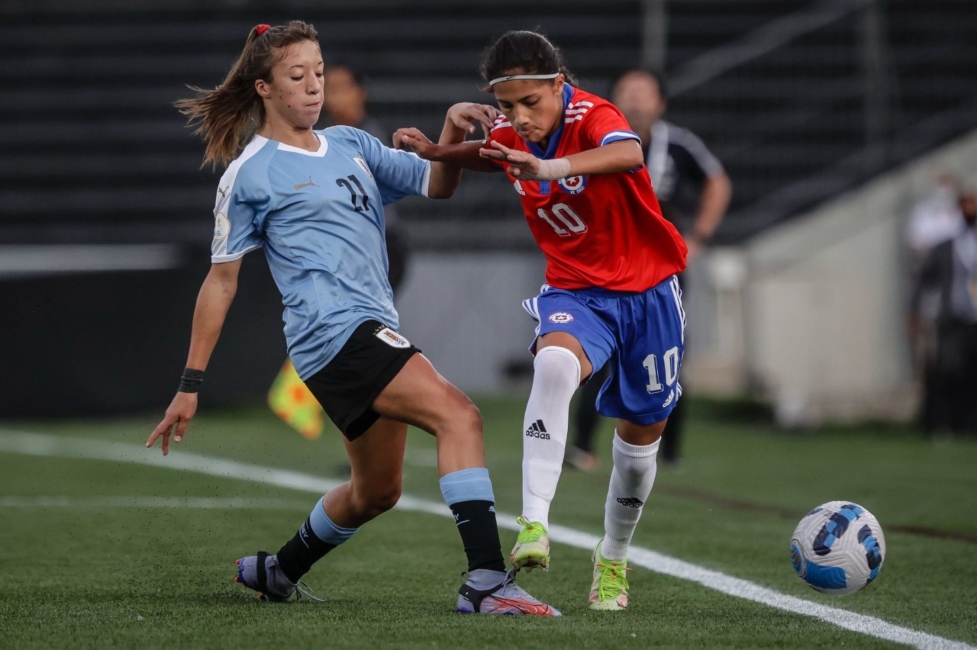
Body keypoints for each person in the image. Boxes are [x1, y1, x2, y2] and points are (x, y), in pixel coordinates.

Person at [145, 21, 558, 616]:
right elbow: (221, 280)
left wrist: (447, 130)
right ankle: (488, 580)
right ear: (263, 88)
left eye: (318, 73)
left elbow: (436, 185)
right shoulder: (251, 172)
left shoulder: (351, 145)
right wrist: (190, 384)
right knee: (459, 416)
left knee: (376, 493)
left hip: (365, 329)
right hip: (333, 333)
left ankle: (278, 570)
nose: (314, 87)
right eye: (297, 76)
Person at [395, 30, 687, 611]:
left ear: (559, 85)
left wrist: (549, 166)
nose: (519, 118)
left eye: (532, 102)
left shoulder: (592, 115)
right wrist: (437, 149)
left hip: (650, 290)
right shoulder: (513, 135)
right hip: (577, 290)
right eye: (507, 106)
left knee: (638, 447)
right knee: (553, 364)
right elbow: (489, 155)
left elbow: (628, 151)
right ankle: (533, 524)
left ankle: (613, 559)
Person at [564, 68, 732, 472]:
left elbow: (717, 181)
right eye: (628, 92)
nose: (636, 101)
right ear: (612, 101)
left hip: (661, 268)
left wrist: (701, 235)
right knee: (595, 352)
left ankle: (668, 451)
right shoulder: (594, 137)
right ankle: (582, 447)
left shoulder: (679, 144)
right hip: (605, 264)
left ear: (661, 102)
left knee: (668, 356)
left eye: (644, 93)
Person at [267, 62, 411, 441]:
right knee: (348, 330)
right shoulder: (324, 140)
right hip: (348, 254)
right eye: (331, 88)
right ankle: (321, 404)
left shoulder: (363, 138)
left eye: (343, 87)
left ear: (362, 93)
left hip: (379, 252)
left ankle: (318, 402)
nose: (333, 96)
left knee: (360, 330)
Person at [910, 191, 977, 433]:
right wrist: (914, 312)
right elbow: (923, 281)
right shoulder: (945, 247)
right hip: (955, 317)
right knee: (950, 370)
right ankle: (945, 423)